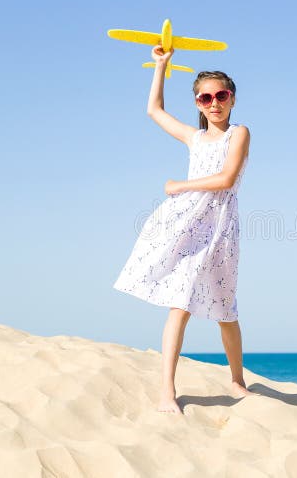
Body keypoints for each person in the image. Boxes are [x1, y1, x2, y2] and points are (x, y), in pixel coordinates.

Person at [113, 44, 255, 414]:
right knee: (180, 304)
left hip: (221, 225)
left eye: (221, 95)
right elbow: (154, 110)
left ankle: (238, 381)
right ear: (197, 102)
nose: (214, 103)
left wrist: (180, 185)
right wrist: (161, 65)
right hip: (186, 223)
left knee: (226, 311)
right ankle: (166, 393)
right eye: (205, 97)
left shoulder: (238, 133)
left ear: (232, 99)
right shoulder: (194, 138)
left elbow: (226, 179)